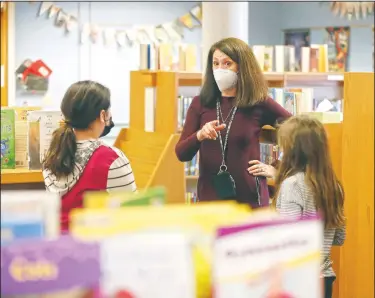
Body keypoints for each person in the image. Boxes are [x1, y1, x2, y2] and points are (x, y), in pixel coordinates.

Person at [175, 37, 291, 207]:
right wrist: (199, 135)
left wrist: (278, 169)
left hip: (251, 199)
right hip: (211, 200)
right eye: (215, 64)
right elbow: (181, 153)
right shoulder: (200, 103)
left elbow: (301, 131)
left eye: (227, 63)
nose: (220, 69)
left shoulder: (259, 103)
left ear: (242, 67)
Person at [43, 81, 137, 231]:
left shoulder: (53, 152)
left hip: (57, 241)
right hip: (93, 242)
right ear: (102, 115)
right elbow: (132, 211)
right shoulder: (111, 158)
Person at [273, 115, 346, 298]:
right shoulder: (334, 186)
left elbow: (290, 242)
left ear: (294, 150)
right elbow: (339, 238)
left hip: (297, 279)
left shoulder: (293, 185)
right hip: (324, 277)